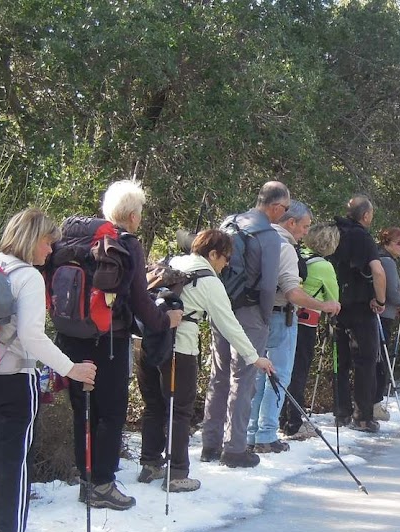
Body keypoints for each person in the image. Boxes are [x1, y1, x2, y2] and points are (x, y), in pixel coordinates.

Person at [0, 208, 97, 532]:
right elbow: (32, 337)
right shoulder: (29, 278)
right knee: (14, 462)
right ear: (31, 239)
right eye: (47, 243)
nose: (50, 252)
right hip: (12, 379)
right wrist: (72, 369)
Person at [57, 180, 181, 511]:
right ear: (130, 214)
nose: (140, 220)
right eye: (139, 214)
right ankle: (103, 484)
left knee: (82, 409)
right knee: (110, 413)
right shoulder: (126, 244)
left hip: (69, 338)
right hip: (109, 340)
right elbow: (140, 299)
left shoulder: (73, 240)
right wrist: (164, 321)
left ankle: (87, 480)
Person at [135, 230, 275, 492]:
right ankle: (177, 473)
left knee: (154, 406)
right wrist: (254, 357)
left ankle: (150, 464)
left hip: (145, 342)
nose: (226, 265)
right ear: (212, 254)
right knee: (180, 410)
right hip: (179, 348)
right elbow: (229, 325)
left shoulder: (172, 264)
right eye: (225, 258)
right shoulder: (209, 282)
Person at [202, 181, 291, 468]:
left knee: (219, 375)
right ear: (275, 207)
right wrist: (265, 317)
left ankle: (210, 444)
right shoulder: (268, 235)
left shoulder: (230, 221)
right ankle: (236, 448)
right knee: (243, 379)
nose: (284, 214)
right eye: (285, 209)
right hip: (250, 312)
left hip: (220, 306)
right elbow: (267, 285)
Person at [247, 201, 341, 453]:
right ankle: (266, 435)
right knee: (278, 376)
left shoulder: (257, 240)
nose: (306, 233)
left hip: (255, 317)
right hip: (281, 316)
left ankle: (250, 432)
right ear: (291, 223)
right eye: (305, 226)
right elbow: (293, 294)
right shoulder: (285, 247)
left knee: (258, 374)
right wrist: (324, 305)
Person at [330, 195, 388, 432]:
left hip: (335, 304)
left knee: (340, 361)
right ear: (365, 215)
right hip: (360, 306)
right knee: (365, 361)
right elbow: (378, 271)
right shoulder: (362, 236)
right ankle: (363, 416)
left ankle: (341, 412)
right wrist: (381, 300)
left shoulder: (336, 233)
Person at [281, 221, 341, 440]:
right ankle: (294, 422)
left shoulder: (299, 254)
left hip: (284, 316)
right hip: (306, 321)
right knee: (299, 370)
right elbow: (334, 301)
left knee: (283, 368)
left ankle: (281, 418)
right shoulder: (324, 266)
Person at [373, 227, 400, 418]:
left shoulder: (383, 259)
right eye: (398, 243)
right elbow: (393, 294)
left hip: (383, 315)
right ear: (386, 243)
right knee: (380, 361)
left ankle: (373, 403)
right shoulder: (387, 262)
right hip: (383, 316)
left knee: (377, 360)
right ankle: (375, 404)